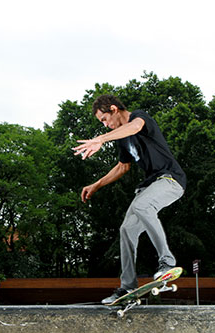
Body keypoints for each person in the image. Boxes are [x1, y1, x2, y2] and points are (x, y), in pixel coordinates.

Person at [73, 94, 186, 304]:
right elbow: (122, 167)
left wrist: (100, 139)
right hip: (149, 185)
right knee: (127, 229)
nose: (106, 126)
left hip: (170, 180)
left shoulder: (140, 118)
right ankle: (127, 287)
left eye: (105, 120)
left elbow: (134, 127)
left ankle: (167, 263)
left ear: (114, 109)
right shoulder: (122, 139)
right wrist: (96, 185)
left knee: (143, 207)